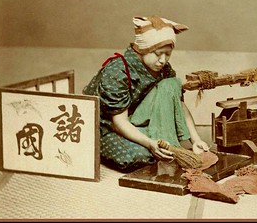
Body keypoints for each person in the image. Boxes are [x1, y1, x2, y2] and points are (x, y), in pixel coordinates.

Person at [83, 15, 210, 172]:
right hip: (108, 126)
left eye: (167, 54)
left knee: (171, 85)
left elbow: (179, 104)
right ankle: (144, 142)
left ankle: (152, 140)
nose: (163, 60)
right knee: (138, 156)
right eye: (158, 54)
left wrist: (195, 140)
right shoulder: (117, 71)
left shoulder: (165, 69)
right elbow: (118, 122)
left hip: (138, 120)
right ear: (143, 49)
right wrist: (150, 143)